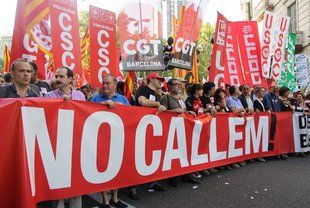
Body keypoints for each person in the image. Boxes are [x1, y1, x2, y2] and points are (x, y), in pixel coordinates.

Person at [43, 66, 85, 208]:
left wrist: (72, 103)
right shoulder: (49, 96)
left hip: (76, 145)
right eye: (57, 76)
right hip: (57, 146)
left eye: (61, 76)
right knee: (58, 186)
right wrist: (60, 104)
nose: (58, 79)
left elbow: (84, 117)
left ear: (70, 79)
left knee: (76, 185)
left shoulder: (80, 96)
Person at [91, 74, 129, 208]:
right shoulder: (96, 99)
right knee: (102, 169)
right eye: (104, 83)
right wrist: (103, 104)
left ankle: (115, 198)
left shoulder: (123, 99)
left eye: (108, 83)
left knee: (116, 168)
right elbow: (88, 113)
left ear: (114, 85)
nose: (105, 86)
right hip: (101, 140)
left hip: (118, 138)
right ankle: (105, 200)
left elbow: (131, 116)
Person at [134, 72, 166, 196]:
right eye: (158, 79)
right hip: (140, 127)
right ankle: (133, 187)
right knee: (138, 156)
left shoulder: (157, 94)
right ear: (151, 79)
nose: (160, 82)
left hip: (152, 128)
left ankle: (152, 181)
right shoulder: (143, 89)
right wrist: (157, 104)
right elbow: (142, 102)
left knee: (151, 155)